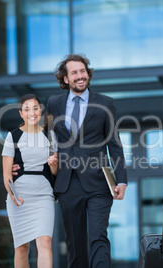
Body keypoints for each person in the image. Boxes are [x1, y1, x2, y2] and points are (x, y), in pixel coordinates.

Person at [30, 54, 127, 268]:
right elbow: (45, 138)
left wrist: (121, 180)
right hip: (67, 183)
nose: (80, 76)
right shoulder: (54, 103)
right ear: (65, 79)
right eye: (74, 72)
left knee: (98, 236)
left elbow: (114, 144)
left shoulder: (105, 103)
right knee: (75, 243)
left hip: (99, 182)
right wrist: (23, 164)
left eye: (83, 71)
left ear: (88, 74)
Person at [2, 94, 58, 268]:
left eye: (35, 108)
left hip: (44, 195)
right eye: (27, 109)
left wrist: (54, 164)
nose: (32, 112)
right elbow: (6, 174)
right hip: (20, 197)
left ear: (40, 111)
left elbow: (55, 172)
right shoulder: (12, 137)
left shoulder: (50, 135)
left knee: (45, 241)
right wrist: (13, 196)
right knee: (21, 248)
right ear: (21, 113)